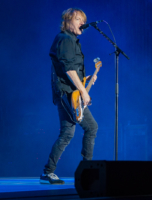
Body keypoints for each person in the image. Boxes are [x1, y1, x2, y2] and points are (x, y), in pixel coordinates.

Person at [40, 8, 98, 185]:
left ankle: (48, 172)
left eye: (83, 19)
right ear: (66, 21)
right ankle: (87, 172)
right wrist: (84, 91)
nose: (82, 22)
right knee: (91, 127)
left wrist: (86, 80)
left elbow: (71, 71)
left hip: (66, 92)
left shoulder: (71, 40)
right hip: (67, 93)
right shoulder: (65, 38)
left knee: (67, 134)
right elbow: (68, 69)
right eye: (78, 19)